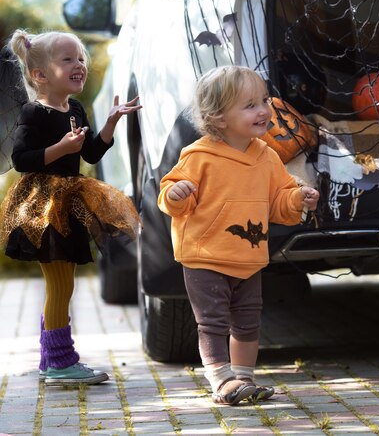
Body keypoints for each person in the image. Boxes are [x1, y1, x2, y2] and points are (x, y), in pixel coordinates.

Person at [158, 65, 319, 406]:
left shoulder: (267, 156)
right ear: (218, 118)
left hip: (248, 257)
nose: (264, 110)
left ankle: (243, 378)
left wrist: (298, 198)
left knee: (247, 322)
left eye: (264, 100)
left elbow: (279, 201)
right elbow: (169, 192)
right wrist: (177, 194)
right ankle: (221, 380)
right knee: (213, 322)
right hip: (205, 255)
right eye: (250, 105)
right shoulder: (198, 156)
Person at [0, 29, 142, 386]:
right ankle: (61, 362)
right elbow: (21, 159)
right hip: (43, 206)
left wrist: (110, 123)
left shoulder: (75, 108)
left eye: (80, 58)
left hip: (68, 201)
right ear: (40, 74)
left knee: (63, 285)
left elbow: (90, 153)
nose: (79, 64)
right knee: (61, 285)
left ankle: (53, 358)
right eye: (68, 59)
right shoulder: (34, 113)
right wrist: (61, 149)